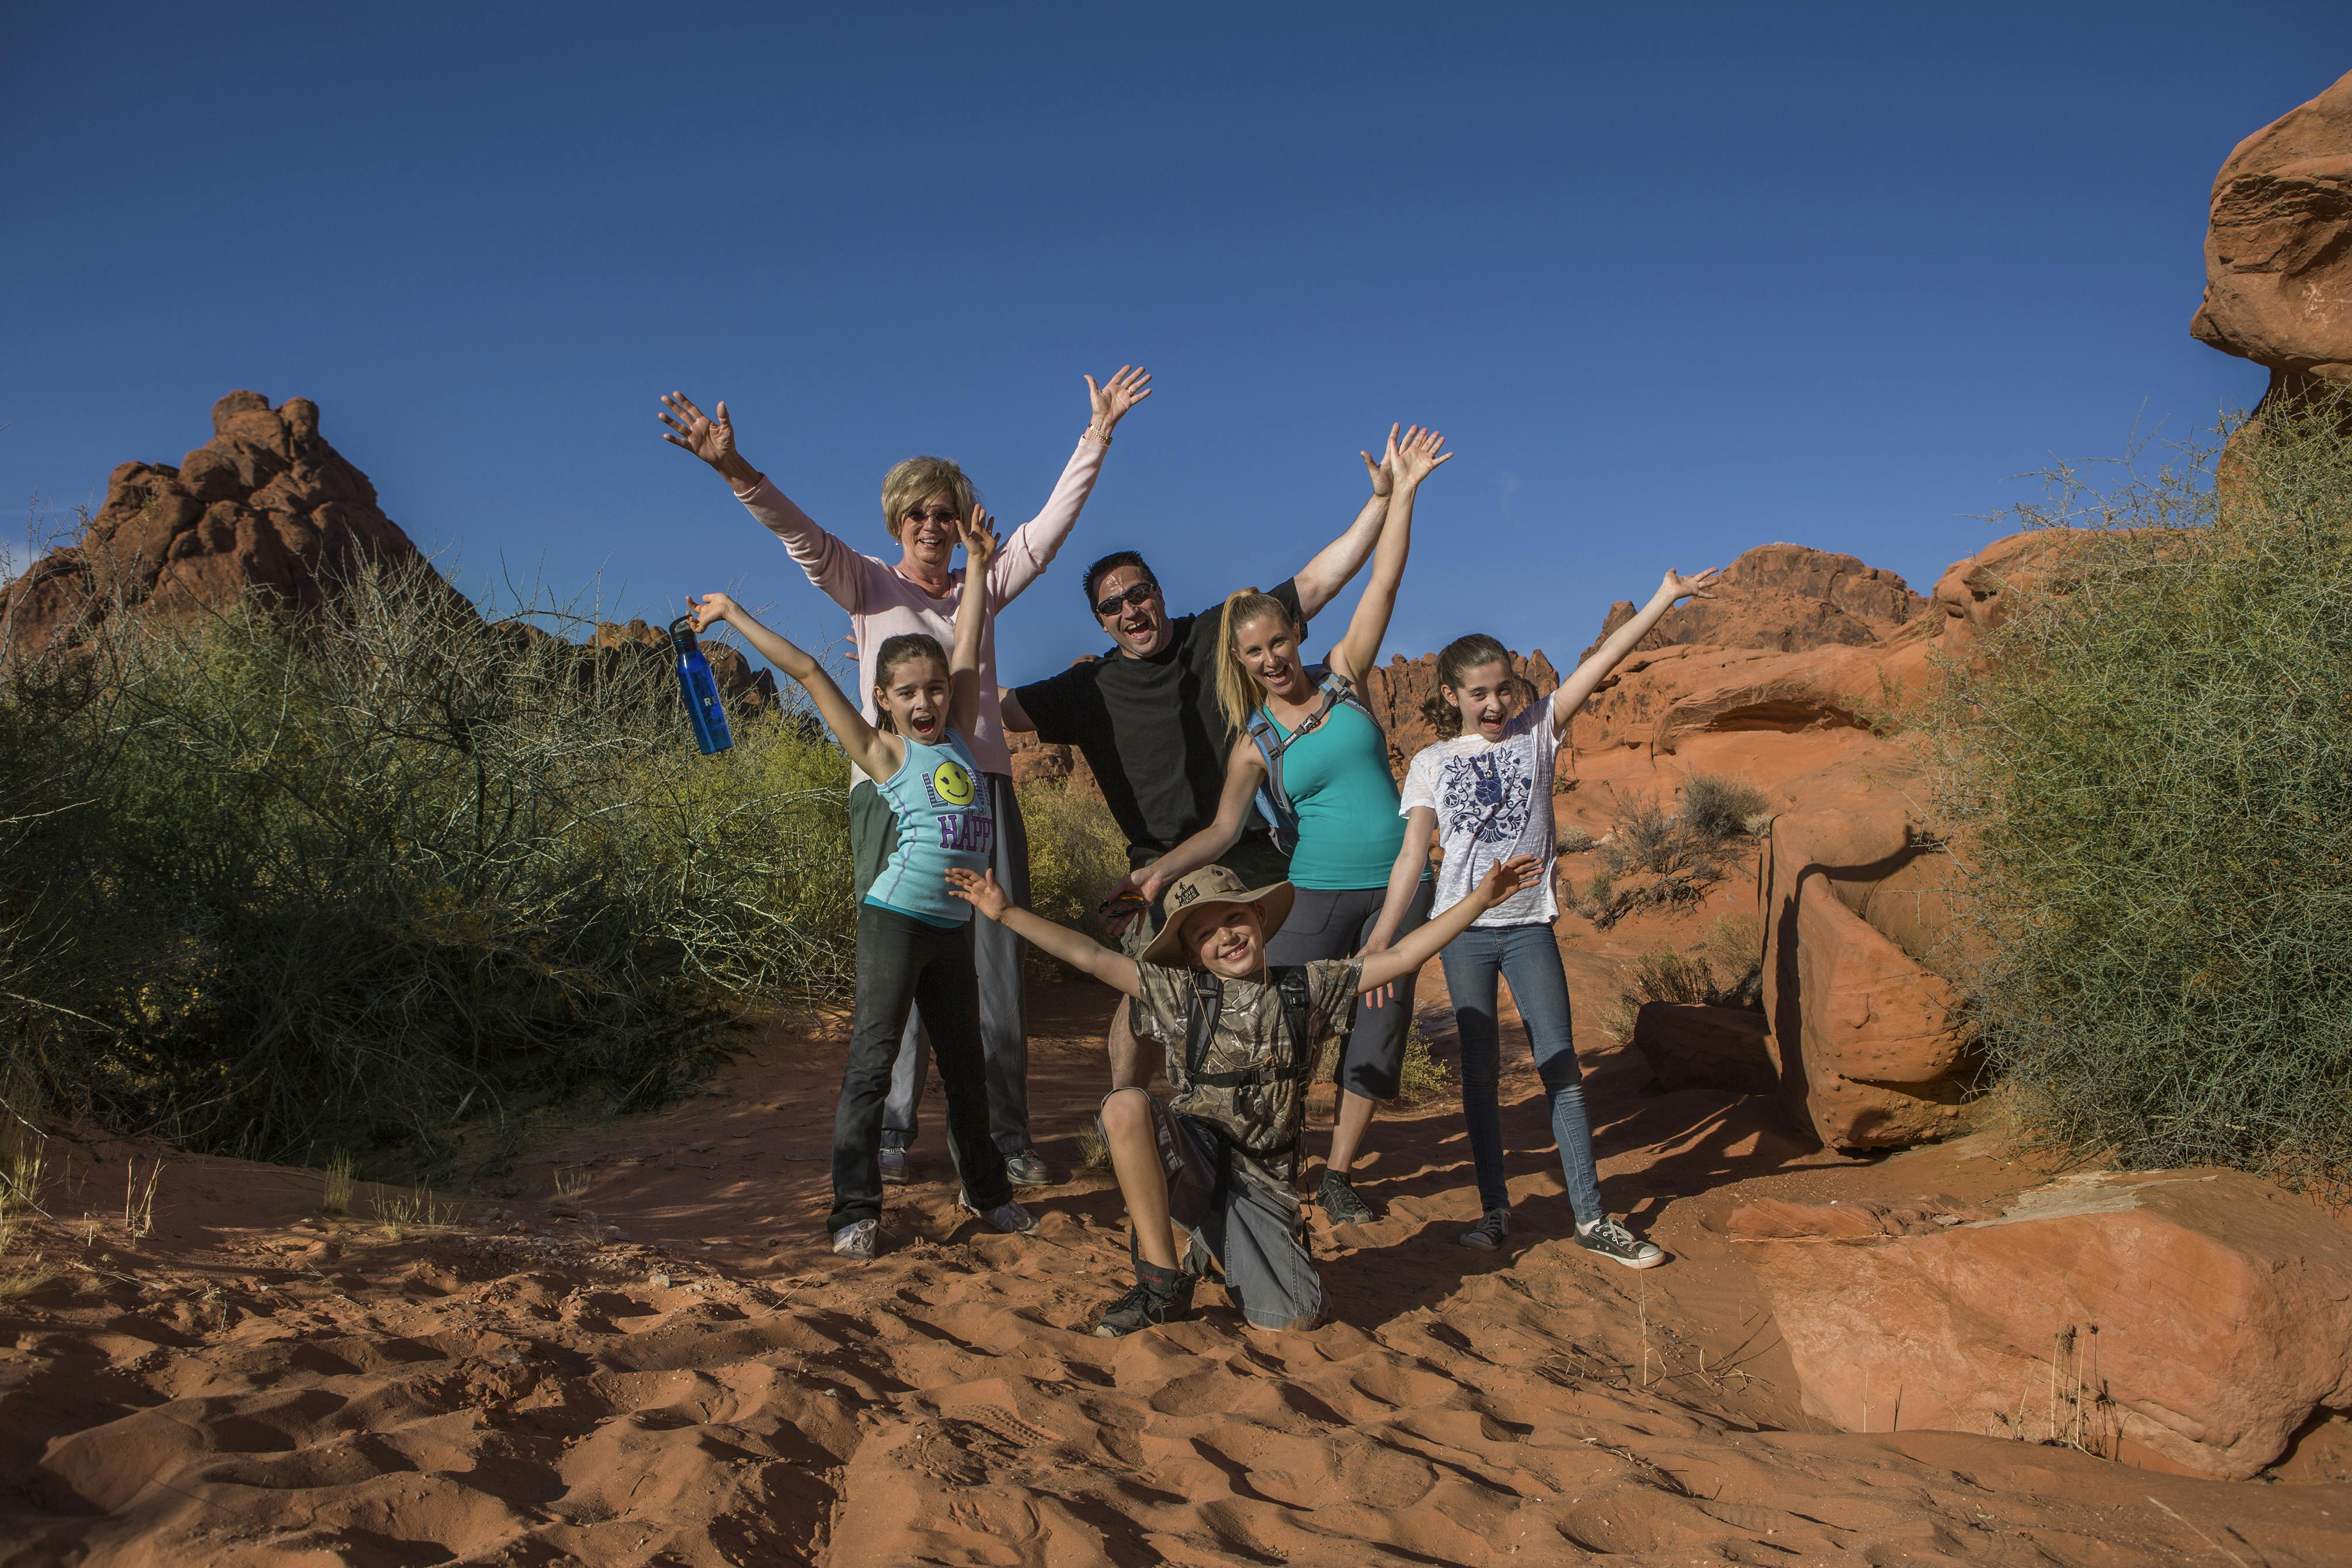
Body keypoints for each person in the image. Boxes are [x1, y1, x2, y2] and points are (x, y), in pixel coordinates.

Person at [659, 369, 1152, 1189]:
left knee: (996, 963)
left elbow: (1049, 533)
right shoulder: (866, 582)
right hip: (887, 798)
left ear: (961, 526)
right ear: (898, 521)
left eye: (944, 514)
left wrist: (1096, 433)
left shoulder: (981, 587)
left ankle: (1004, 1135)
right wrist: (732, 468)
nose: (931, 524)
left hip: (980, 789)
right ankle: (892, 1130)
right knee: (903, 963)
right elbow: (800, 534)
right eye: (918, 513)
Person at [947, 855, 1542, 1336]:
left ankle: (1213, 1244)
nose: (1224, 937)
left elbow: (1404, 955)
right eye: (1203, 934)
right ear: (1188, 955)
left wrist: (1477, 902)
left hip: (1263, 1183)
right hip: (1193, 1161)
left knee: (1296, 1317)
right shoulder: (1181, 995)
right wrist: (1004, 913)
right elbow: (1093, 956)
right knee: (1125, 1106)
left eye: (1232, 920)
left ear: (1259, 917)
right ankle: (1161, 1282)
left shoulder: (1310, 987)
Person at [1111, 424, 1451, 1226]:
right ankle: (1264, 1163)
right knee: (1273, 1022)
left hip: (1400, 885)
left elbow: (1385, 584)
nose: (1271, 659)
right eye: (1254, 652)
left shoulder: (1343, 679)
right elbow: (1224, 832)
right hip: (1314, 890)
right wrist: (1156, 875)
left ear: (1295, 636)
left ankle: (1338, 1175)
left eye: (1278, 641)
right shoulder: (1255, 743)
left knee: (1377, 1029)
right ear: (1242, 661)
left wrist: (1404, 494)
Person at [1000, 432, 1404, 1097]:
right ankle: (1126, 1114)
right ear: (1102, 623)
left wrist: (1380, 502)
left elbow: (1319, 581)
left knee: (1291, 989)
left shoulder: (1218, 634)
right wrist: (901, 668)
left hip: (1254, 846)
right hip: (1155, 866)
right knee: (1143, 997)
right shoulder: (1086, 689)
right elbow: (995, 709)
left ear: (1158, 593)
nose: (1131, 609)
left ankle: (1268, 1118)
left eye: (1140, 593)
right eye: (1114, 605)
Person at [689, 509, 1036, 1261]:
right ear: (883, 697)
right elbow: (812, 672)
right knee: (872, 1064)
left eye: (935, 691)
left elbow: (967, 639)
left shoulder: (963, 736)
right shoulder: (881, 753)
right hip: (895, 924)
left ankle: (987, 1189)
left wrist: (978, 564)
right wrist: (732, 615)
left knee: (967, 1069)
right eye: (907, 692)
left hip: (952, 929)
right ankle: (854, 1210)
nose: (924, 703)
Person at [1376, 565, 1722, 1268]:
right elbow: (1414, 855)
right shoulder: (1432, 762)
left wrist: (1664, 596)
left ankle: (1591, 1218)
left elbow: (1605, 658)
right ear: (1452, 697)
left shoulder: (1540, 731)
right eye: (1479, 693)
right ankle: (1495, 1212)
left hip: (1530, 926)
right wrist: (1384, 939)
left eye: (1504, 687)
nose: (1496, 702)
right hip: (1461, 933)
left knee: (1560, 1067)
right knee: (1478, 1077)